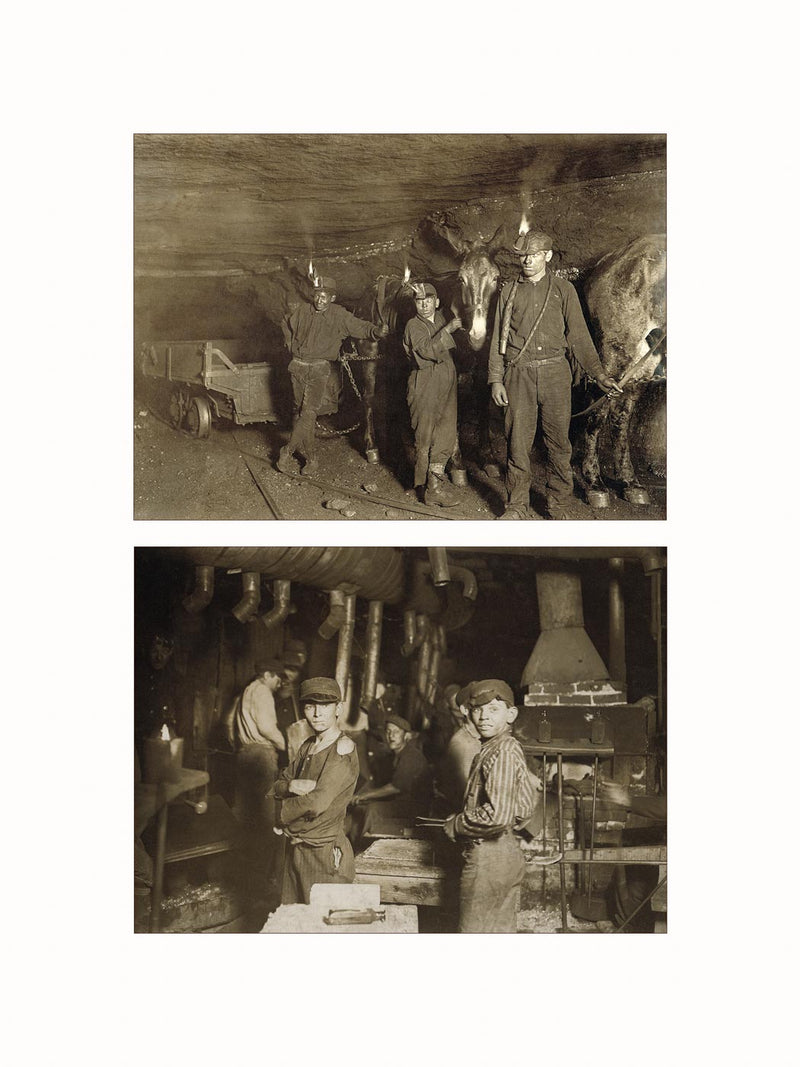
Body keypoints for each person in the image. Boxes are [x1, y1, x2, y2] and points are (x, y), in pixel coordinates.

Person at [488, 231, 621, 520]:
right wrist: (496, 379)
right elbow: (498, 338)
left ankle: (558, 505)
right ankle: (516, 506)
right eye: (523, 256)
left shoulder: (563, 290)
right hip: (518, 374)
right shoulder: (508, 291)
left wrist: (598, 374)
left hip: (555, 374)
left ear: (547, 256)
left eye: (533, 255)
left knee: (559, 444)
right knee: (517, 443)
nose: (527, 260)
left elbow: (579, 337)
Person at [443, 679, 535, 933]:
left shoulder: (501, 752)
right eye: (477, 709)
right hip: (506, 854)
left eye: (493, 709)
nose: (483, 716)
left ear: (511, 714)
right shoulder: (501, 747)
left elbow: (497, 816)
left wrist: (458, 823)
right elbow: (524, 808)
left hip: (489, 861)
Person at [277, 275, 388, 475]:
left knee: (308, 413)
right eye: (318, 295)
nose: (320, 299)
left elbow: (361, 326)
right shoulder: (303, 311)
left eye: (325, 296)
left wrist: (376, 332)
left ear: (333, 298)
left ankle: (287, 451)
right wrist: (289, 342)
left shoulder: (340, 316)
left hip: (319, 369)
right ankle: (312, 459)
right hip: (297, 367)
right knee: (302, 414)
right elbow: (285, 321)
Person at [271, 677, 359, 905]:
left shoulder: (343, 749)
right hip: (297, 849)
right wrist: (290, 786)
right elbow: (277, 784)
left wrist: (279, 814)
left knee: (322, 927)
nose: (317, 714)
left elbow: (317, 802)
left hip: (323, 853)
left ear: (338, 709)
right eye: (310, 706)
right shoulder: (308, 745)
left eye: (325, 706)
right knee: (291, 922)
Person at [401, 282, 463, 506]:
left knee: (446, 432)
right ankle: (425, 488)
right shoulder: (412, 325)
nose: (424, 305)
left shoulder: (440, 318)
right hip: (424, 381)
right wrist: (448, 330)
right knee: (424, 436)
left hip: (447, 379)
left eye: (429, 300)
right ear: (415, 304)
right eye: (419, 301)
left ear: (437, 302)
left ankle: (434, 485)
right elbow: (426, 351)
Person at [232, 659, 287, 905]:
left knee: (244, 817)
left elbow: (228, 726)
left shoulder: (247, 690)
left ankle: (241, 881)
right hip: (261, 757)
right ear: (266, 674)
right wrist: (286, 744)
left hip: (244, 754)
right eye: (277, 678)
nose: (279, 683)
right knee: (265, 822)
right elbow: (266, 726)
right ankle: (260, 887)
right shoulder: (263, 691)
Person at [349, 714, 434, 841]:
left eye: (396, 732)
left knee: (374, 809)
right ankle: (352, 842)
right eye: (388, 731)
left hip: (416, 808)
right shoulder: (396, 755)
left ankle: (360, 846)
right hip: (403, 803)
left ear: (406, 736)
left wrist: (364, 795)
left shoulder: (411, 756)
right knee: (361, 807)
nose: (391, 736)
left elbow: (395, 788)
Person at [435, 682, 481, 814]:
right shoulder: (461, 744)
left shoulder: (480, 738)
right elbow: (465, 794)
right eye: (478, 708)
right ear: (465, 710)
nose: (485, 715)